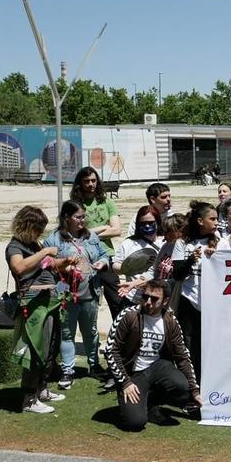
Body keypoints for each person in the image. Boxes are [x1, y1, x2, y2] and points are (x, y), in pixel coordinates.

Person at [104, 279, 202, 430]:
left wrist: (195, 391)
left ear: (165, 301)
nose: (148, 302)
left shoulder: (170, 320)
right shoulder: (129, 315)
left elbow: (182, 356)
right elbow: (111, 350)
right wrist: (125, 382)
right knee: (135, 423)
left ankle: (151, 404)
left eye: (154, 298)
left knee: (182, 387)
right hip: (132, 374)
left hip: (157, 368)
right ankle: (133, 405)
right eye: (145, 296)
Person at [5, 206, 71, 414]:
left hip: (50, 301)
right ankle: (29, 399)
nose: (41, 233)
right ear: (26, 226)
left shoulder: (34, 244)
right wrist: (44, 251)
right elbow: (19, 268)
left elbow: (49, 265)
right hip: (33, 306)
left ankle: (41, 389)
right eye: (38, 228)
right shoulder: (15, 247)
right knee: (35, 351)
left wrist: (65, 263)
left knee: (51, 348)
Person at [43, 200, 110, 390]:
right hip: (66, 295)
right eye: (78, 217)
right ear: (66, 218)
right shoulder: (53, 240)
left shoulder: (91, 237)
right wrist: (65, 266)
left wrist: (102, 263)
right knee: (67, 333)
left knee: (91, 332)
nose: (82, 220)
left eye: (83, 216)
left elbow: (104, 254)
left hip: (90, 292)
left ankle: (94, 365)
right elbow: (46, 264)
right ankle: (68, 370)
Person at [172, 201, 220, 382]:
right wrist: (191, 260)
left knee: (210, 346)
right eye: (212, 219)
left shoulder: (220, 242)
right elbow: (177, 274)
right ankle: (192, 386)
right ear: (200, 221)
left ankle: (210, 382)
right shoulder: (182, 243)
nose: (216, 222)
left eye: (217, 219)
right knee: (190, 346)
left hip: (213, 303)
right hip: (189, 300)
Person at [71, 167, 124, 320]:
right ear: (80, 183)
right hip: (82, 256)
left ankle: (120, 335)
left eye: (93, 180)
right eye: (86, 181)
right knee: (83, 301)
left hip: (106, 255)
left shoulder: (107, 202)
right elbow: (75, 233)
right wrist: (101, 228)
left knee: (116, 299)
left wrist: (88, 233)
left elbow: (117, 230)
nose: (90, 184)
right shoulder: (74, 205)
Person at [113, 205, 162, 310]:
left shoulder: (165, 242)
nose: (147, 226)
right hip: (133, 298)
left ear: (158, 221)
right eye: (143, 223)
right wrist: (128, 267)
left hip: (158, 300)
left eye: (151, 223)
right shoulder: (129, 242)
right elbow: (115, 266)